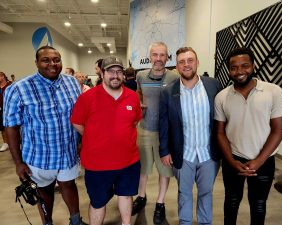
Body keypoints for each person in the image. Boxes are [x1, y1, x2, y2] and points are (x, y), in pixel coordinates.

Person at [3, 46, 87, 225]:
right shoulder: (18, 89)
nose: (52, 64)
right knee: (44, 192)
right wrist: (18, 163)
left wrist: (81, 143)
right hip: (39, 157)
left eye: (56, 59)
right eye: (46, 60)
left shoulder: (72, 83)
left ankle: (76, 221)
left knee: (69, 186)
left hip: (68, 152)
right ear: (36, 63)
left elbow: (79, 116)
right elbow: (11, 128)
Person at [214, 47, 282, 225]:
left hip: (264, 160)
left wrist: (259, 161)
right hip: (234, 160)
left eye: (244, 65)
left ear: (253, 66)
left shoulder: (273, 91)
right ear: (229, 70)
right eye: (234, 67)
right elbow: (220, 132)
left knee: (258, 204)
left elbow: (278, 130)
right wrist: (230, 161)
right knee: (231, 202)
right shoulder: (222, 97)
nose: (239, 71)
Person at [70, 56, 142, 225]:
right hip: (97, 164)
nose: (115, 75)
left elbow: (135, 121)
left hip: (128, 161)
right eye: (110, 71)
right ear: (102, 73)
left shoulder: (132, 97)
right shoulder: (87, 98)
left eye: (119, 71)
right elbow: (77, 123)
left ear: (123, 75)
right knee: (98, 201)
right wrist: (96, 137)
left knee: (126, 195)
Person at [159, 47, 222, 225]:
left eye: (190, 60)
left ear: (197, 62)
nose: (186, 65)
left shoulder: (213, 85)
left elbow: (221, 119)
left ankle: (205, 222)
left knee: (206, 193)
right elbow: (164, 124)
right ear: (177, 66)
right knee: (184, 193)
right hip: (183, 153)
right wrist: (164, 150)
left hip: (208, 154)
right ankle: (185, 222)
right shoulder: (168, 92)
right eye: (182, 61)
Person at [133, 41, 178, 224]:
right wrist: (139, 105)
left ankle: (160, 203)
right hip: (143, 130)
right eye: (155, 55)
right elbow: (137, 93)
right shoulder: (141, 75)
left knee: (164, 170)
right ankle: (141, 197)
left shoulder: (175, 77)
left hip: (165, 133)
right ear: (150, 56)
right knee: (143, 168)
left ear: (167, 57)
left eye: (162, 55)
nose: (158, 59)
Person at [0, 71, 12, 152]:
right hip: (0, 109)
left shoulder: (10, 84)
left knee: (12, 126)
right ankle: (5, 143)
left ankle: (17, 142)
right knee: (2, 127)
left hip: (10, 108)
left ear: (3, 76)